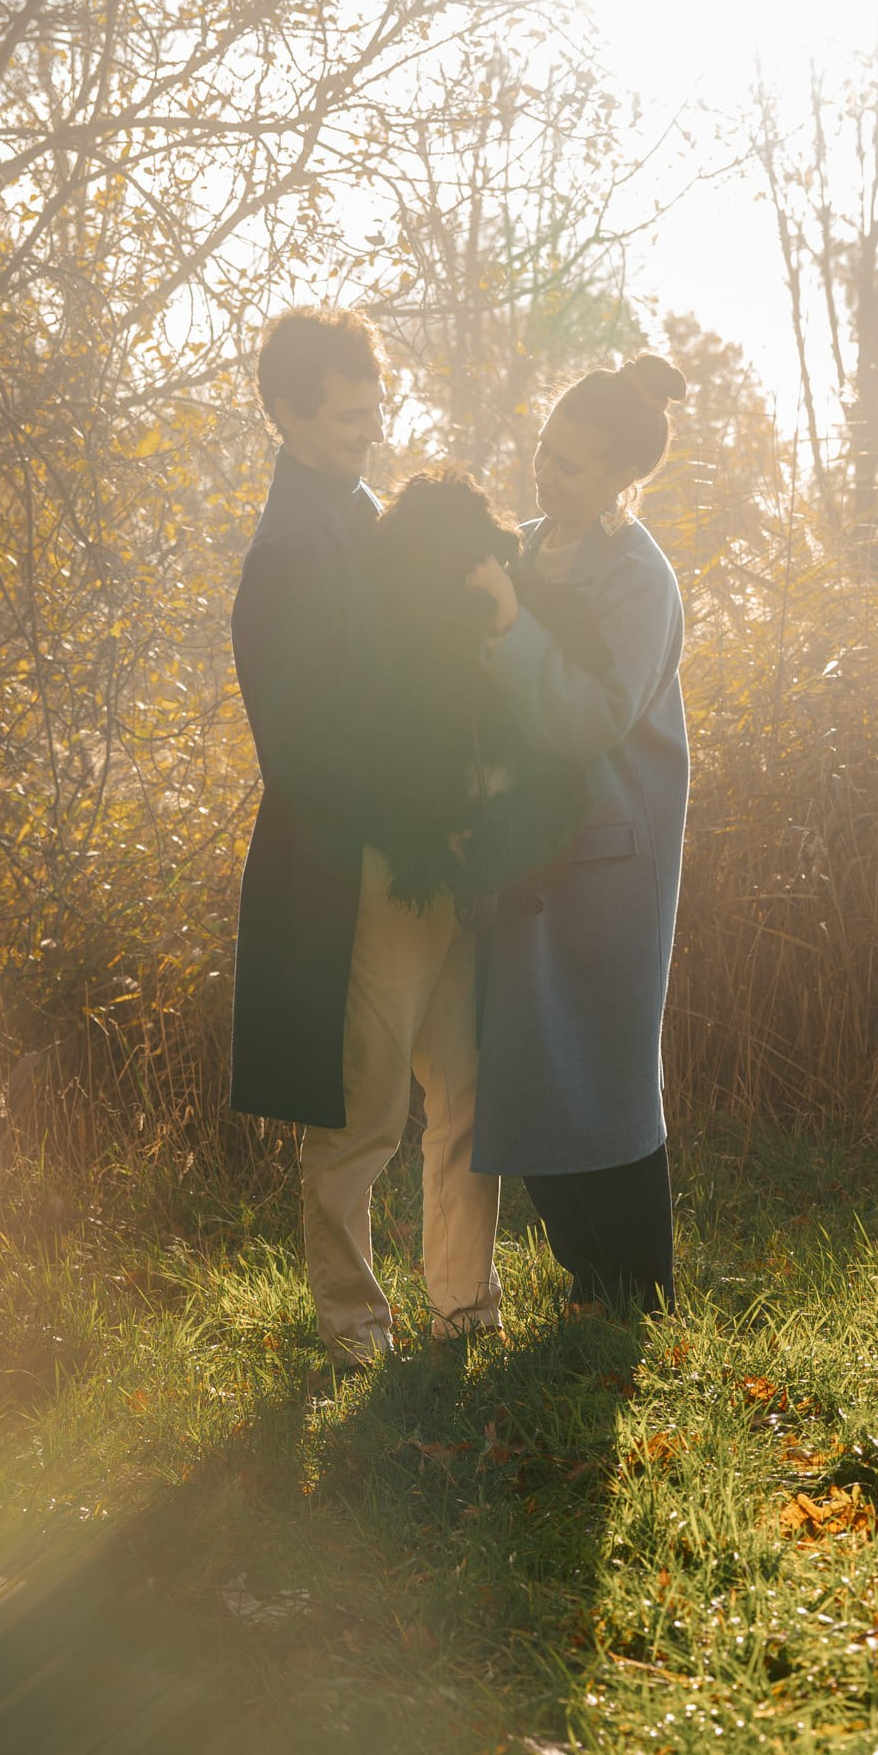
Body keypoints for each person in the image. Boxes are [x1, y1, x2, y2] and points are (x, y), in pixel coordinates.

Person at [228, 310, 502, 1371]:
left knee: (468, 1085)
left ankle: (463, 1303)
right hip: (371, 869)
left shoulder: (361, 512)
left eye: (373, 407)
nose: (367, 429)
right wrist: (417, 823)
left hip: (442, 849)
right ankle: (351, 1326)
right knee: (363, 1113)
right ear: (287, 413)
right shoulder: (288, 553)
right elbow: (304, 748)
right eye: (346, 415)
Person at [468, 354, 690, 1317]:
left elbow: (594, 714)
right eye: (543, 452)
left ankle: (636, 1288)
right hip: (525, 850)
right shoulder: (519, 546)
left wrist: (512, 628)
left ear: (619, 481)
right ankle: (582, 1279)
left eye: (570, 465)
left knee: (604, 1072)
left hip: (607, 859)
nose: (545, 476)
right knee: (527, 1066)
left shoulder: (640, 576)